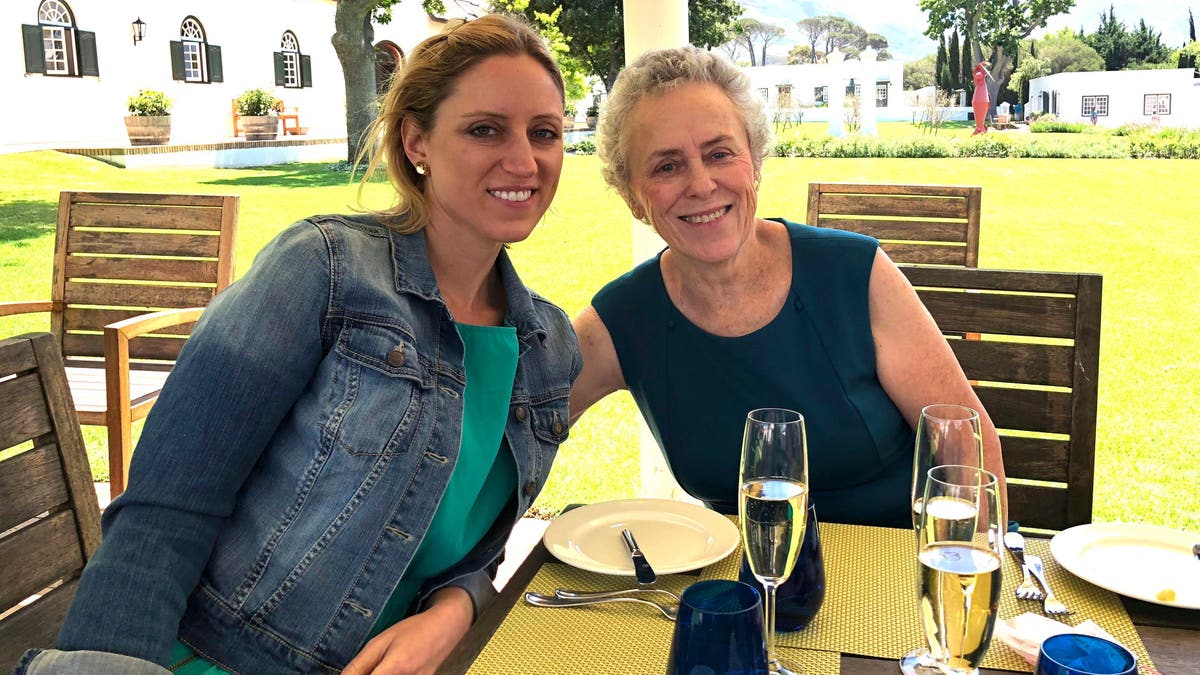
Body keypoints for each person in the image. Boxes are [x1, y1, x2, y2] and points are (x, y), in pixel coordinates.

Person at [17, 14, 579, 675]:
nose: (524, 160)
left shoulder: (548, 344)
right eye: (485, 129)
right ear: (417, 140)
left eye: (544, 132)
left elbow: (466, 544)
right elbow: (166, 508)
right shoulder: (323, 269)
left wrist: (458, 603)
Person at [569, 46, 1005, 528]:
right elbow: (511, 434)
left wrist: (960, 579)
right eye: (666, 166)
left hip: (904, 567)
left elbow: (964, 443)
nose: (701, 184)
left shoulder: (853, 272)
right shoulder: (626, 316)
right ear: (632, 196)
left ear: (754, 162)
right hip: (753, 586)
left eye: (719, 154)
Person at [972, 61, 993, 135]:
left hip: (982, 100)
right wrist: (983, 74)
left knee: (981, 119)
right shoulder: (979, 74)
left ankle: (980, 126)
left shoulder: (983, 80)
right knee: (979, 120)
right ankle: (979, 127)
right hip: (979, 100)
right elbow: (977, 75)